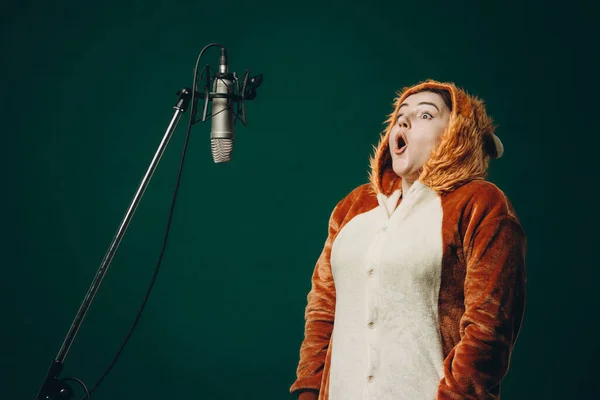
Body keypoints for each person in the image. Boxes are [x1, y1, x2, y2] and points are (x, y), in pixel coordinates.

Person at [289, 79, 527, 400]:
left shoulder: (479, 203)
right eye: (401, 115)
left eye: (426, 115)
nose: (404, 121)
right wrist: (309, 390)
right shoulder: (353, 207)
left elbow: (489, 329)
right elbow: (322, 310)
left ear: (457, 134)